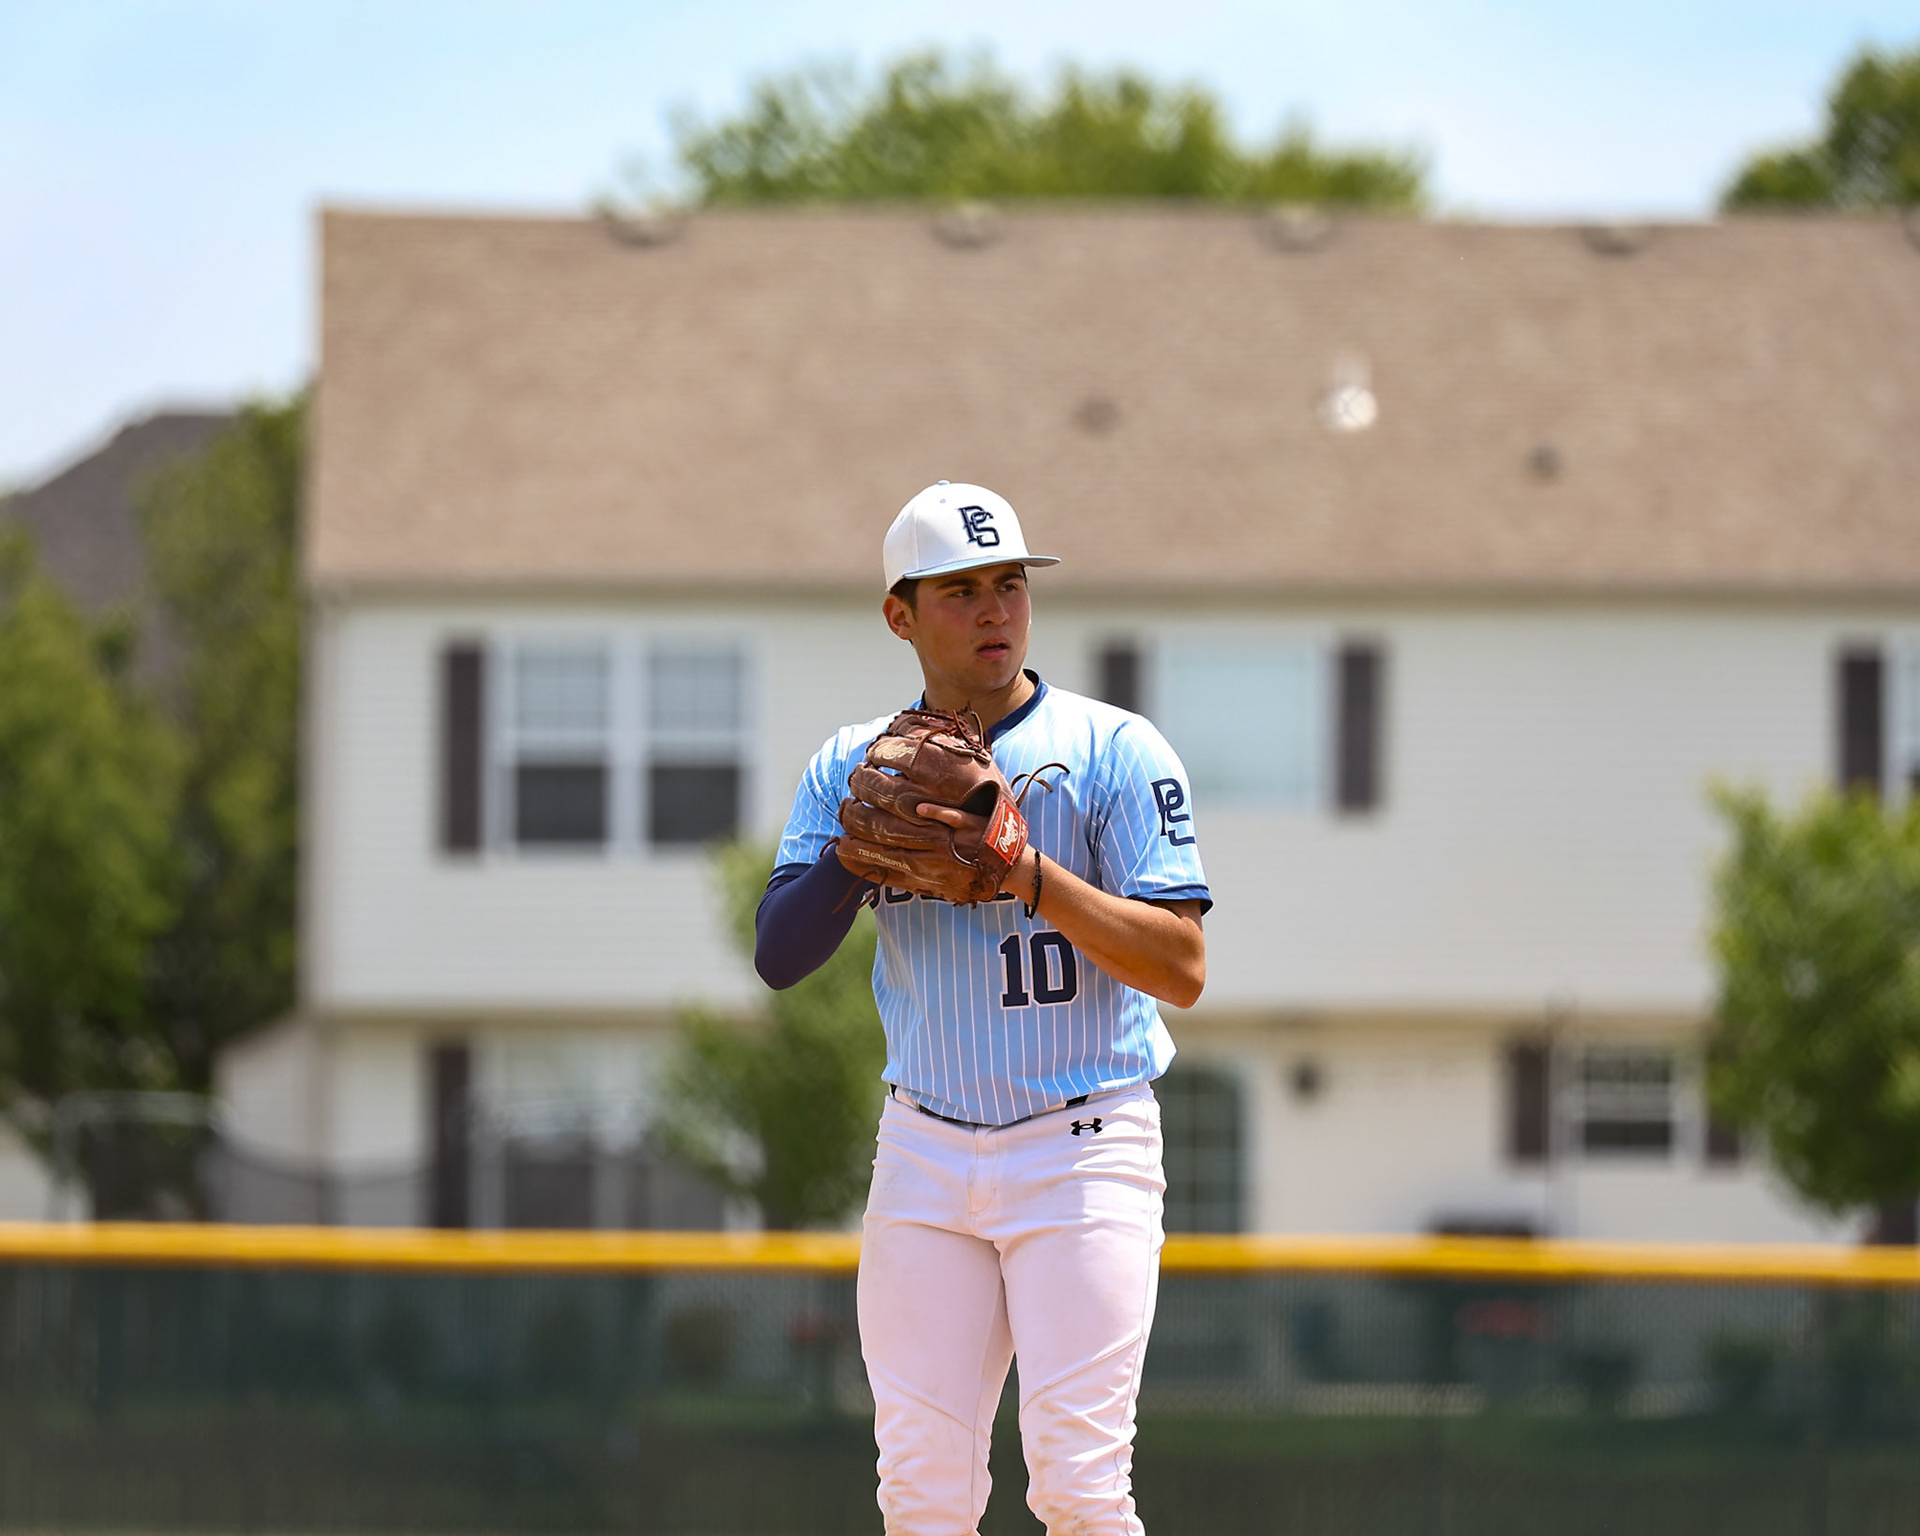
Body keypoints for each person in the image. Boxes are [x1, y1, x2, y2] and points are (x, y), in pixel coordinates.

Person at [754, 481, 1211, 1536]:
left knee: (1080, 1488)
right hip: (925, 1146)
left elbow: (1182, 965)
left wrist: (1025, 872)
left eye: (1009, 583)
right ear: (900, 614)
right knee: (921, 1495)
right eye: (960, 591)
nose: (996, 610)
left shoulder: (1114, 749)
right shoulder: (855, 766)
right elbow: (780, 954)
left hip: (1083, 1141)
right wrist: (851, 853)